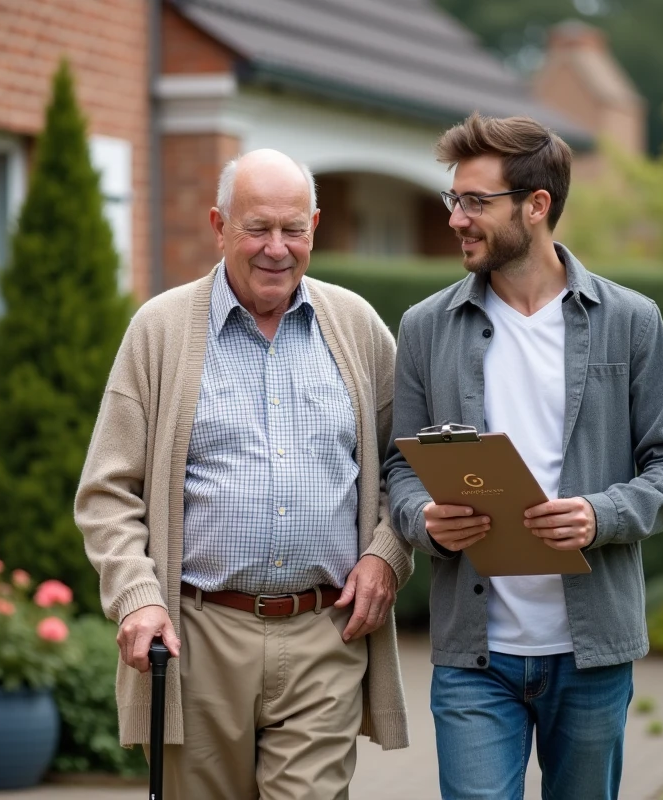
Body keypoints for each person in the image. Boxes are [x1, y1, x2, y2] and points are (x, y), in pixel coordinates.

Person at [384, 113, 663, 800]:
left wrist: (600, 515)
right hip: (474, 656)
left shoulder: (629, 321)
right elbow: (400, 468)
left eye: (475, 202)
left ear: (536, 207)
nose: (456, 219)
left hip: (591, 655)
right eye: (454, 200)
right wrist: (424, 519)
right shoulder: (424, 328)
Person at [75, 149, 411, 800]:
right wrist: (137, 597)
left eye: (294, 230)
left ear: (315, 225)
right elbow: (108, 492)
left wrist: (387, 555)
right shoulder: (160, 330)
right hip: (199, 638)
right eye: (257, 228)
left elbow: (408, 463)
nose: (276, 249)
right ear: (218, 225)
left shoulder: (358, 328)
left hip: (324, 633)